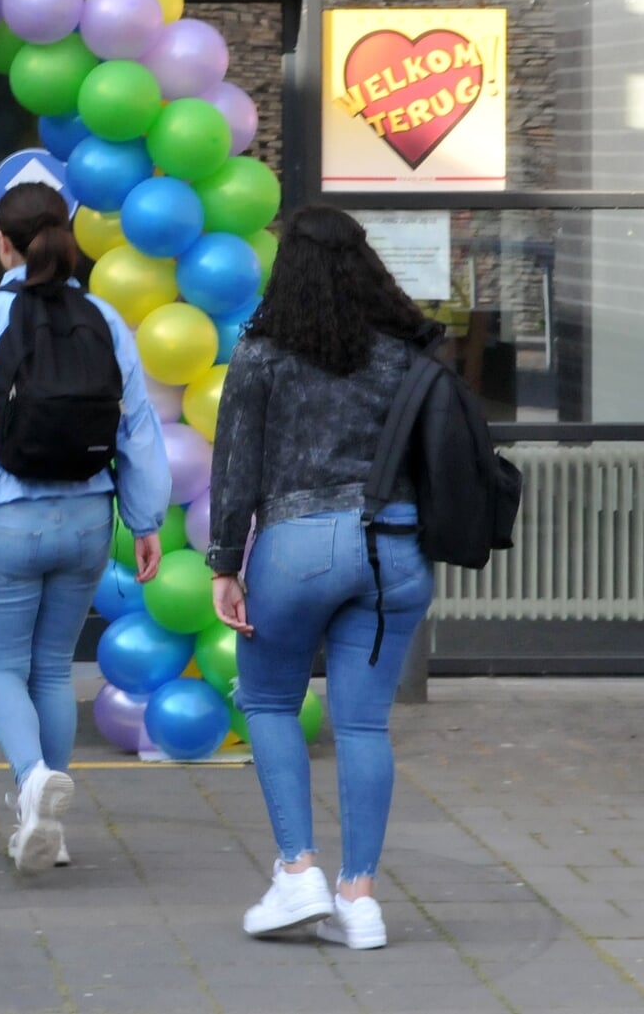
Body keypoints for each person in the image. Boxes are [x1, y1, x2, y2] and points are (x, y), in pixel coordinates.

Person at [0, 182, 170, 874]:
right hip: (87, 515)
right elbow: (138, 427)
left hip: (3, 516)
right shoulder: (104, 319)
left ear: (1, 241)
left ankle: (31, 780)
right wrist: (144, 519)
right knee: (52, 667)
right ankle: (44, 821)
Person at [208, 206, 440, 951]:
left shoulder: (264, 350)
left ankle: (297, 870)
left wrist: (223, 561)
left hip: (297, 546)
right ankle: (360, 900)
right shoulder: (405, 351)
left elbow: (236, 467)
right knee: (365, 722)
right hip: (393, 548)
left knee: (270, 699)